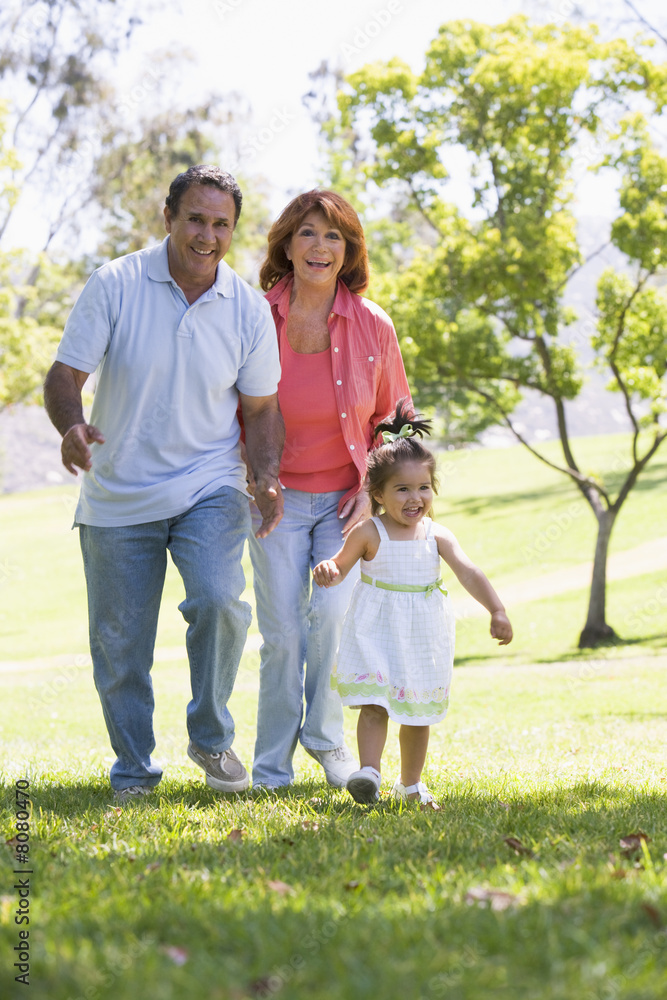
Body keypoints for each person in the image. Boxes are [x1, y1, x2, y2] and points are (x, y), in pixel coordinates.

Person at [43, 165, 284, 802]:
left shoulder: (247, 309)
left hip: (210, 482)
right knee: (121, 645)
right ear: (169, 218)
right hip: (117, 494)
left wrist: (265, 476)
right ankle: (134, 771)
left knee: (218, 601)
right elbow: (65, 375)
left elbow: (261, 410)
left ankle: (209, 732)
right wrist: (72, 427)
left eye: (221, 224)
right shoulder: (116, 283)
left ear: (234, 230)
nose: (207, 235)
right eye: (196, 220)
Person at [248, 190, 411, 791]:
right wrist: (253, 478)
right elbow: (228, 409)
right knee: (284, 632)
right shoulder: (254, 315)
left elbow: (395, 423)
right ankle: (271, 767)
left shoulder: (374, 325)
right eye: (308, 234)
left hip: (348, 501)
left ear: (349, 250)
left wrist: (373, 493)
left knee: (333, 617)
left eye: (334, 236)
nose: (321, 246)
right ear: (287, 245)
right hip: (274, 501)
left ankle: (324, 738)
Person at [313, 400, 513, 806]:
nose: (414, 497)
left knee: (417, 714)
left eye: (422, 487)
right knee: (373, 705)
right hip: (374, 630)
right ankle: (368, 773)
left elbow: (469, 572)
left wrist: (496, 609)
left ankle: (410, 784)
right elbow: (340, 564)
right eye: (402, 489)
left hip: (422, 635)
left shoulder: (436, 535)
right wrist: (328, 570)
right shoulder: (369, 531)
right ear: (379, 494)